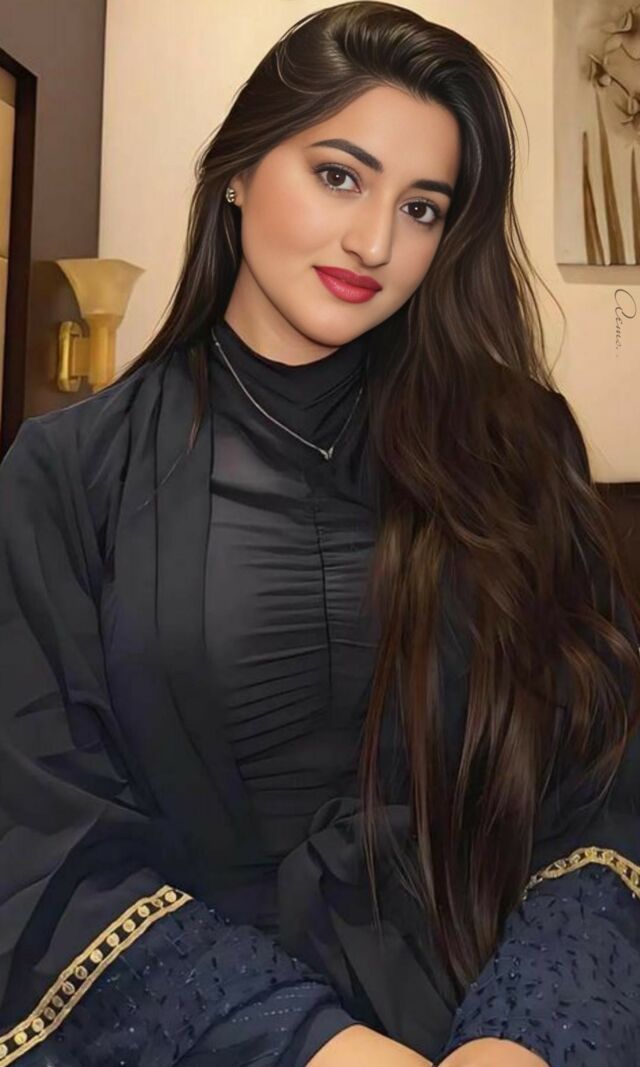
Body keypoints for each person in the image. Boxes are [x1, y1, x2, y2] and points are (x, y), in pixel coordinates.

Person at [1, 2, 639, 1065]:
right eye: (339, 176)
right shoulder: (68, 473)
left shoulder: (519, 446)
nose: (375, 243)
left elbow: (607, 785)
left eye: (422, 206)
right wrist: (311, 1044)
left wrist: (530, 1033)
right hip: (209, 1035)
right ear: (239, 170)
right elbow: (40, 834)